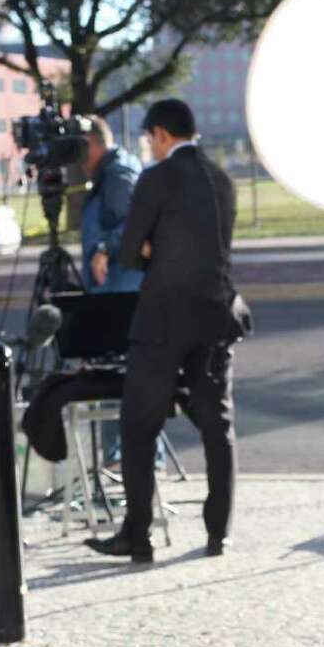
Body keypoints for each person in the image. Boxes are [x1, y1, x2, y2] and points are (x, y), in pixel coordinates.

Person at [85, 98, 248, 564]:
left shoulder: (156, 179)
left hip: (162, 321)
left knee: (138, 426)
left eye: (148, 139)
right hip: (215, 316)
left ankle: (138, 536)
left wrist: (156, 248)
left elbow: (131, 252)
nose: (148, 147)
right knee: (218, 428)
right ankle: (218, 533)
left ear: (160, 135)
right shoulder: (222, 179)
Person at [79, 117, 143, 295]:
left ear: (94, 144)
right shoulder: (110, 173)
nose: (79, 158)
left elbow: (133, 225)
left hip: (118, 288)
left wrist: (104, 250)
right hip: (114, 286)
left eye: (81, 148)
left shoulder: (118, 176)